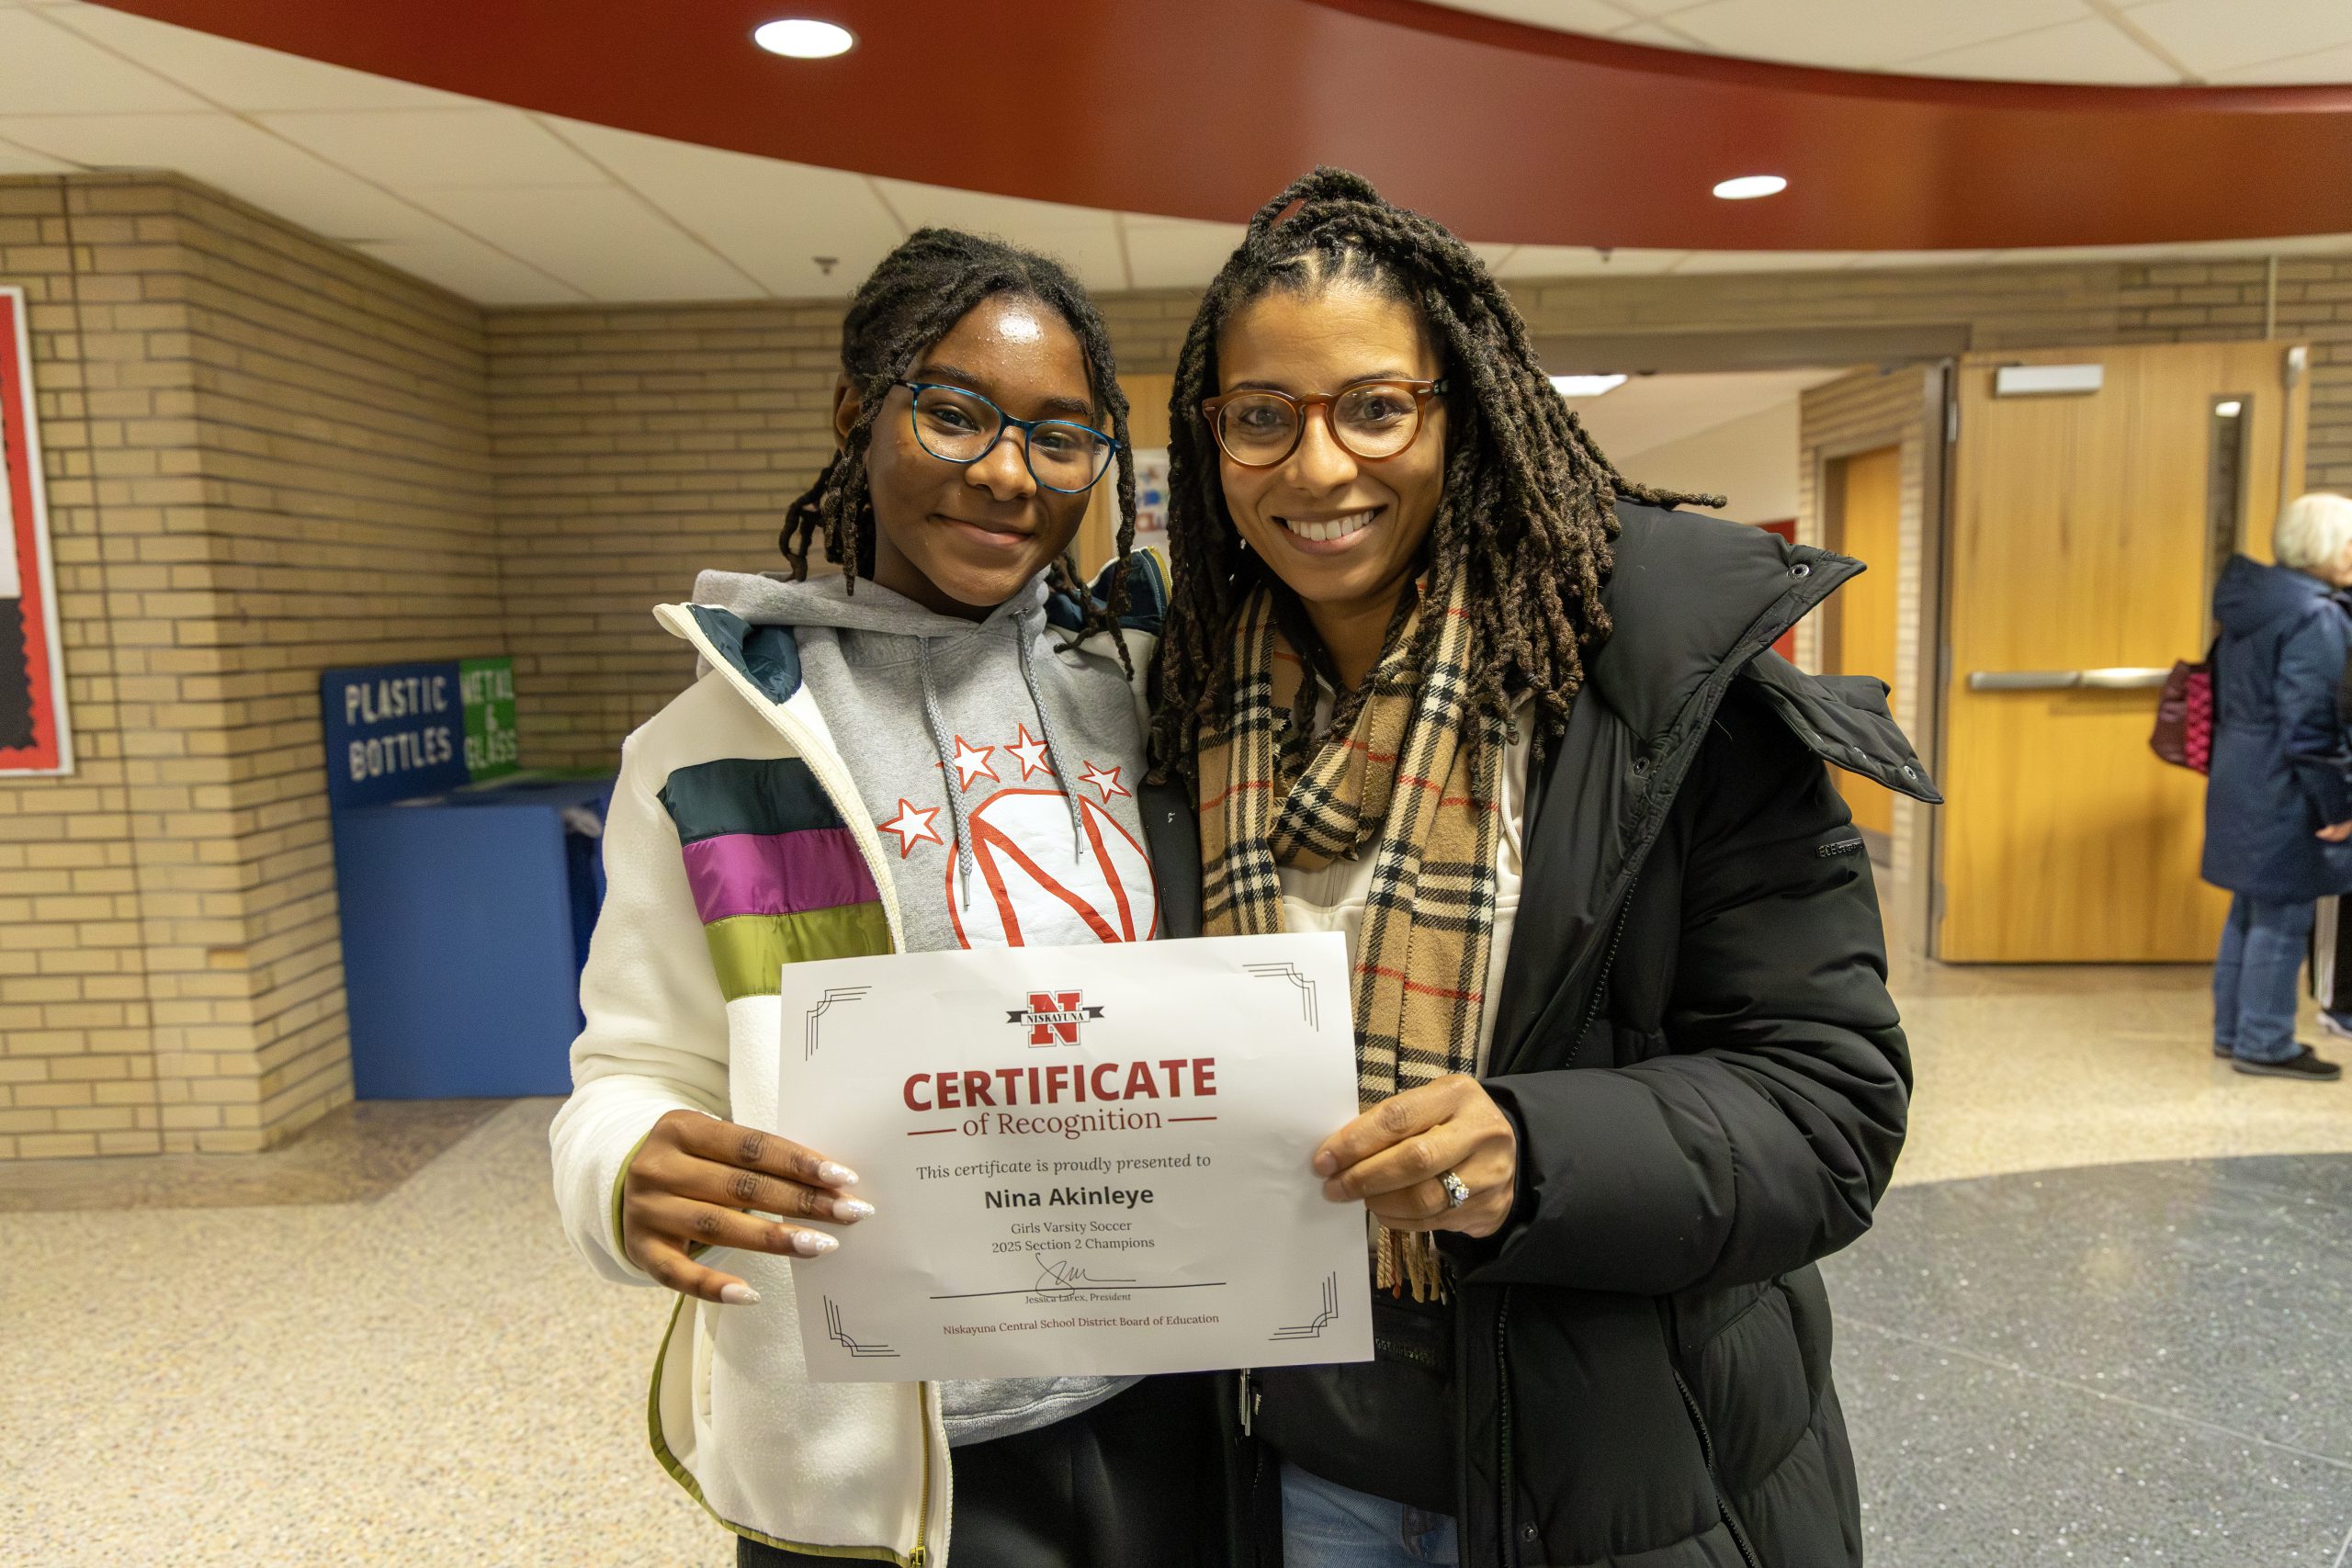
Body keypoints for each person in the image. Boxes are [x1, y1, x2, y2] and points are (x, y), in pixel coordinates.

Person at [1149, 169, 1933, 1567]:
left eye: (1375, 407)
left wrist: (1538, 1149)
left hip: (1611, 1473)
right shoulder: (1180, 707)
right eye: (1263, 416)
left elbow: (1829, 1109)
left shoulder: (1659, 692)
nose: (1318, 468)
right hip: (1292, 1464)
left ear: (1467, 407)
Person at [549, 230, 1226, 1568]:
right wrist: (620, 1167)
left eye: (1058, 436)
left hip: (1167, 1400)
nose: (1004, 474)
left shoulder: (1155, 693)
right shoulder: (711, 750)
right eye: (956, 413)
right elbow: (630, 1062)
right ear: (859, 413)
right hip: (885, 1444)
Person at [2201, 491, 2352, 1082]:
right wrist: (2337, 804)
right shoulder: (2315, 614)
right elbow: (2311, 722)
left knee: (2250, 906)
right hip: (2288, 779)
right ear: (2322, 547)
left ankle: (2233, 1032)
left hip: (2242, 767)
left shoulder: (2254, 601)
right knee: (2284, 913)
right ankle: (2265, 1042)